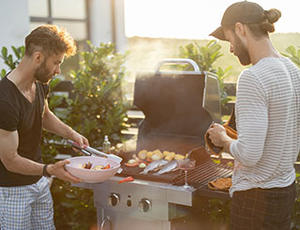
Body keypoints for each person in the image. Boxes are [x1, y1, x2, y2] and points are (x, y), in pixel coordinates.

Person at [207, 1, 300, 229]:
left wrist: (223, 140)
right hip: (284, 191)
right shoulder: (293, 72)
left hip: (255, 199)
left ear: (240, 29)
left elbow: (249, 155)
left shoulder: (253, 77)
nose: (230, 48)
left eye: (229, 39)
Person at [0, 25, 89, 229]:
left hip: (38, 183)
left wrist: (73, 134)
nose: (58, 70)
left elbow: (45, 115)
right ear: (38, 57)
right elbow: (10, 160)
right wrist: (49, 169)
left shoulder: (39, 83)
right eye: (56, 63)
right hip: (12, 192)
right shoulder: (4, 101)